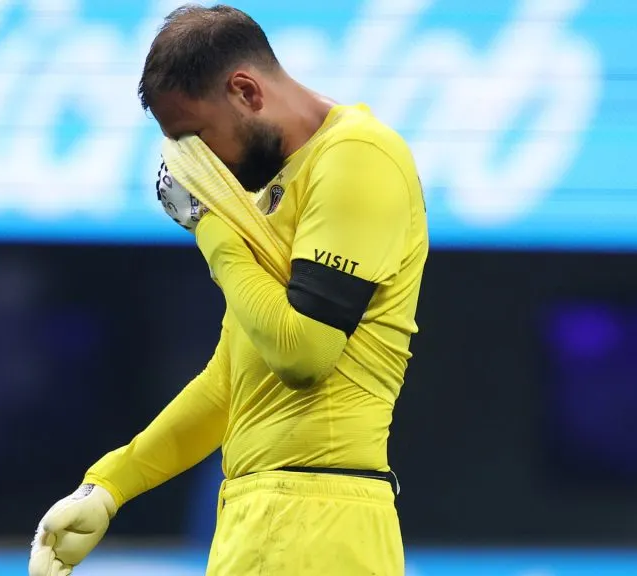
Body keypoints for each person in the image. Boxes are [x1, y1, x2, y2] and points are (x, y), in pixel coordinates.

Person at [29, 4, 428, 575]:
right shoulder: (269, 197)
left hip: (317, 524)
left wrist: (209, 224)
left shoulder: (357, 156)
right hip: (266, 519)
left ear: (245, 91)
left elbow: (305, 351)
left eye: (195, 137)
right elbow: (230, 386)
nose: (194, 165)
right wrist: (110, 485)